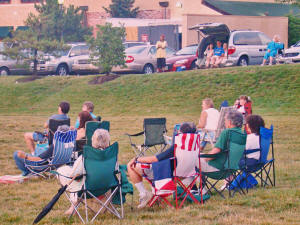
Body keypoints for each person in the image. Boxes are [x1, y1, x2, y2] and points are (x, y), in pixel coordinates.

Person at [127, 122, 197, 209]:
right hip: (188, 173)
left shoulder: (177, 147)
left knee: (131, 165)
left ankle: (144, 194)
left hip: (169, 176)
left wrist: (136, 159)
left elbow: (154, 159)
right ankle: (153, 196)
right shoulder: (195, 146)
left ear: (181, 133)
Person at [58, 129, 111, 215]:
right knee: (80, 177)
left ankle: (73, 207)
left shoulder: (85, 157)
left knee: (66, 173)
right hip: (107, 187)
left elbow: (73, 174)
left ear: (93, 140)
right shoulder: (111, 156)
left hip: (89, 189)